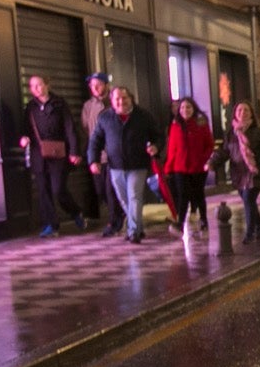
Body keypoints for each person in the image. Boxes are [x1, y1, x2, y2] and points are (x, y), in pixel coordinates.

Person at [86, 85, 162, 245]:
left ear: (131, 98)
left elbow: (158, 135)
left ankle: (133, 231)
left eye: (124, 98)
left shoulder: (143, 116)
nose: (121, 101)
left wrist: (156, 146)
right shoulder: (105, 118)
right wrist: (93, 160)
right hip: (116, 166)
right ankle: (138, 228)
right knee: (123, 198)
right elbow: (95, 140)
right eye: (117, 99)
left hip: (138, 164)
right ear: (112, 101)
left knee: (134, 196)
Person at [18, 74, 84, 237]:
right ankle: (51, 225)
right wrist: (24, 138)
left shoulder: (59, 104)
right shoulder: (30, 107)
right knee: (43, 191)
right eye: (32, 86)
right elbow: (25, 129)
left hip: (58, 153)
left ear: (47, 85)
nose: (35, 89)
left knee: (58, 189)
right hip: (38, 155)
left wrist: (74, 151)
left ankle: (75, 212)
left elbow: (70, 128)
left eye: (39, 85)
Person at [216, 101, 260, 243]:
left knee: (248, 199)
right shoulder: (231, 133)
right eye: (239, 110)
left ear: (251, 113)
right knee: (250, 201)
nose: (243, 113)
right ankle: (259, 224)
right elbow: (225, 152)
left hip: (255, 173)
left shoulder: (259, 133)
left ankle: (250, 232)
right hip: (239, 174)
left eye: (246, 110)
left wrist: (257, 162)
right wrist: (212, 163)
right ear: (235, 114)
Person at [80, 72, 125, 236]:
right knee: (100, 190)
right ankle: (120, 212)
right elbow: (85, 129)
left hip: (113, 155)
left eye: (98, 84)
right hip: (97, 155)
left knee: (110, 190)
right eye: (92, 86)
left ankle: (114, 222)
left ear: (106, 85)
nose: (95, 88)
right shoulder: (88, 106)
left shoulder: (115, 102)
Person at [164, 95, 215, 234]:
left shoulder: (201, 123)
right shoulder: (175, 126)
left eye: (188, 107)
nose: (185, 110)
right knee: (183, 195)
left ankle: (203, 219)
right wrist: (168, 167)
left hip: (198, 167)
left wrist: (203, 159)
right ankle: (180, 223)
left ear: (194, 108)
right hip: (180, 168)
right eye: (182, 107)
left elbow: (209, 145)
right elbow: (172, 149)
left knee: (198, 194)